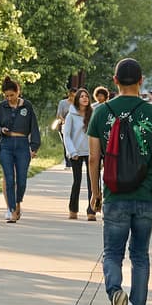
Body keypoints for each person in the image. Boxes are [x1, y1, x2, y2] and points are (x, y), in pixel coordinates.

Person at [87, 57, 152, 305]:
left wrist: (95, 193)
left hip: (114, 194)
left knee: (112, 253)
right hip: (145, 196)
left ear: (114, 82)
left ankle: (115, 293)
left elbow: (93, 159)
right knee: (140, 256)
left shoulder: (101, 113)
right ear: (141, 80)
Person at [0, 76, 42, 223]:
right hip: (6, 144)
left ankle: (18, 202)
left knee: (22, 179)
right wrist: (1, 130)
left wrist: (34, 146)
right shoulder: (1, 107)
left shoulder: (27, 106)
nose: (9, 98)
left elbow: (34, 127)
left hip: (22, 144)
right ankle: (11, 210)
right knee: (9, 178)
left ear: (18, 92)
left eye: (12, 95)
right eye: (6, 96)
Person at [62, 88, 94, 220]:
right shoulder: (71, 115)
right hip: (76, 152)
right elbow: (67, 135)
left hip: (91, 152)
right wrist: (72, 151)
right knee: (77, 181)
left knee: (93, 182)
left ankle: (92, 210)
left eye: (86, 96)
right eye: (82, 96)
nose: (85, 98)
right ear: (77, 99)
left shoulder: (93, 114)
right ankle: (73, 209)